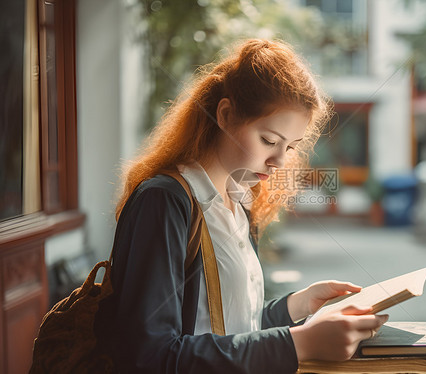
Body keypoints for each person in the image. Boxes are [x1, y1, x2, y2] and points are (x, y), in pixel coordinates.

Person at [95, 39, 388, 373]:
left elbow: (233, 328)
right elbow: (149, 356)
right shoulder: (165, 201)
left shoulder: (239, 201)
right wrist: (300, 343)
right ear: (225, 114)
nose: (279, 160)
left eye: (290, 147)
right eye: (269, 140)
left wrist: (298, 305)